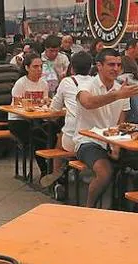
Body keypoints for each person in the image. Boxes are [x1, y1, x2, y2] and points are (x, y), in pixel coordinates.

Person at [72, 48, 138, 207]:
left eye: (118, 65)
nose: (115, 69)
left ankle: (125, 207)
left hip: (113, 142)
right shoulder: (86, 84)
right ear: (99, 66)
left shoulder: (121, 89)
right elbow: (88, 103)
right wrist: (116, 95)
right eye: (111, 64)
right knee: (104, 172)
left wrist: (117, 145)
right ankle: (89, 210)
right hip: (87, 140)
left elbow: (121, 124)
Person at [41, 51, 94, 189]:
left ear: (72, 68)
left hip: (73, 139)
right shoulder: (96, 82)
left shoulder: (67, 82)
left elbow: (54, 109)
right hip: (95, 136)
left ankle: (57, 178)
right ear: (91, 67)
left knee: (60, 140)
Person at [9, 53, 51, 177]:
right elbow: (16, 105)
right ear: (27, 68)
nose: (39, 70)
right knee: (37, 137)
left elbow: (45, 102)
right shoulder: (21, 83)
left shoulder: (43, 83)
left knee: (52, 133)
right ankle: (45, 171)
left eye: (41, 67)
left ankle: (54, 169)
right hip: (18, 120)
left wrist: (47, 102)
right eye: (35, 67)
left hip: (37, 119)